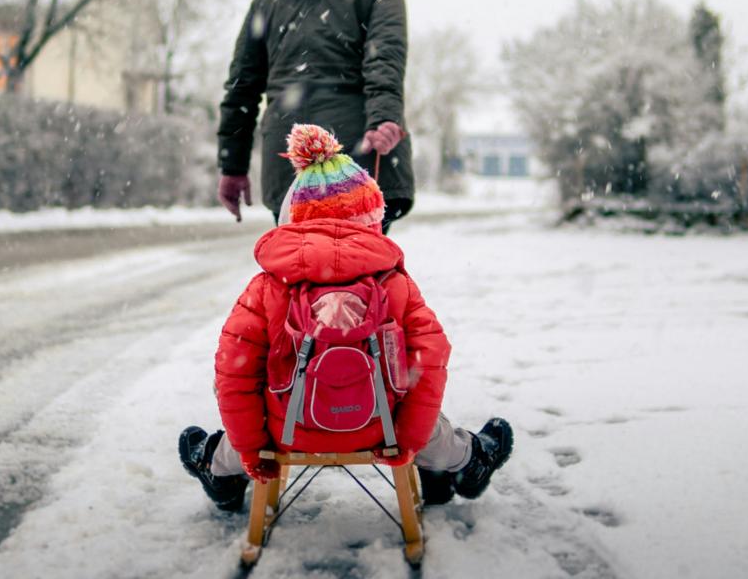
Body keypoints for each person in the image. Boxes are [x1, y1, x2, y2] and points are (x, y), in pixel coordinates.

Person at [180, 125, 511, 511]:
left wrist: (252, 451)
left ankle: (219, 469)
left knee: (246, 395)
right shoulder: (395, 285)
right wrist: (406, 440)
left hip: (287, 434)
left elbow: (233, 373)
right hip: (379, 430)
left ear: (295, 217)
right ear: (372, 218)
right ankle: (468, 459)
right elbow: (430, 358)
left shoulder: (267, 287)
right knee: (423, 413)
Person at [217, 0, 414, 234]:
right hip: (358, 151)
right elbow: (385, 58)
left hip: (289, 152)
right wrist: (383, 117)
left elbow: (242, 86)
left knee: (297, 269)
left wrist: (232, 165)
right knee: (363, 271)